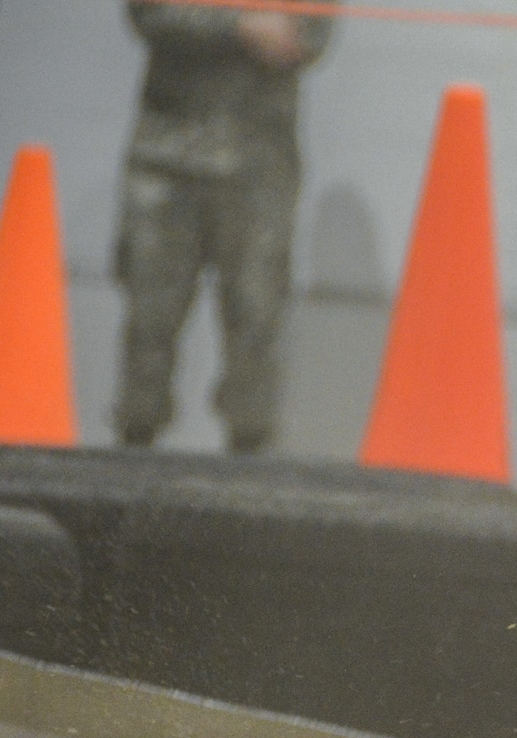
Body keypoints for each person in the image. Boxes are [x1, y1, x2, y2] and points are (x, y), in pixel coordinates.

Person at [113, 0, 334, 455]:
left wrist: (214, 22)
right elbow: (150, 13)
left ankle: (248, 464)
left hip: (259, 164)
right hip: (167, 156)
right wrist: (242, 24)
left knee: (256, 316)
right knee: (150, 315)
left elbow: (307, 36)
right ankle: (132, 456)